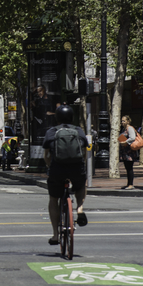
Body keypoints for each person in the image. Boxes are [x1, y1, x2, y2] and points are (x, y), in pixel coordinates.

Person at [42, 104, 90, 246]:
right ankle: (80, 208)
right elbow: (84, 151)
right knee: (81, 185)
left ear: (57, 118)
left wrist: (50, 166)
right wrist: (81, 165)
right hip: (76, 168)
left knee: (53, 198)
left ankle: (56, 235)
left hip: (57, 168)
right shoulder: (78, 130)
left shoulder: (52, 132)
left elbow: (46, 155)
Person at [118, 115, 139, 190]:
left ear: (128, 121)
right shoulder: (124, 129)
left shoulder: (130, 128)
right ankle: (128, 184)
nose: (122, 122)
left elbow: (132, 137)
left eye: (124, 121)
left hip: (129, 152)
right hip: (125, 152)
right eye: (122, 121)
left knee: (129, 168)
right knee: (127, 168)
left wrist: (125, 142)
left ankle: (131, 184)